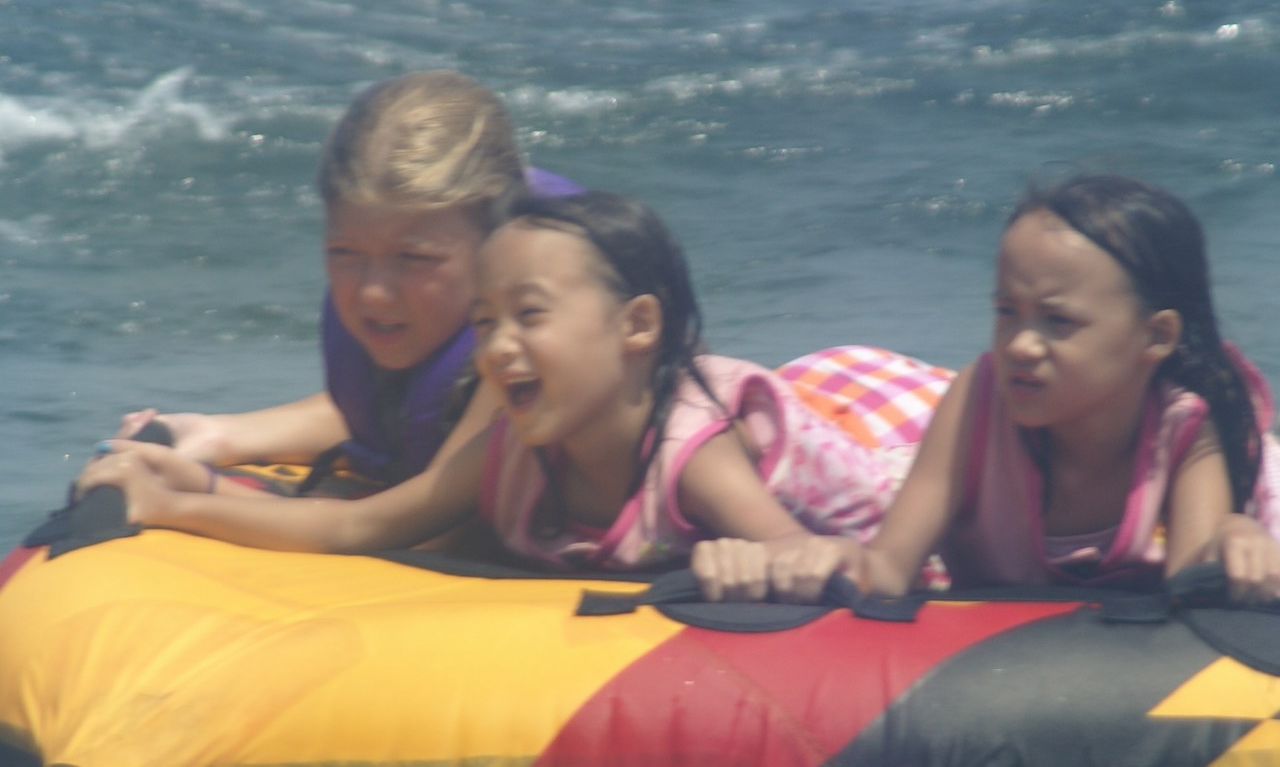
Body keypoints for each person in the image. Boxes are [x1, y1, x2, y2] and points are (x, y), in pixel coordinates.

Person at [77, 191, 911, 572]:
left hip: (879, 458)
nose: (499, 348)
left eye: (529, 316)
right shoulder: (514, 445)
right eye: (483, 322)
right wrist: (185, 496)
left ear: (636, 326)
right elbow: (358, 527)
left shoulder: (691, 455)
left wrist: (762, 566)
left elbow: (807, 556)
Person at [694, 174, 1280, 605]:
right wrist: (832, 559)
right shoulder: (979, 398)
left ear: (1156, 336)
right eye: (1006, 312)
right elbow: (889, 568)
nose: (1020, 345)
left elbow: (1189, 600)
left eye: (1058, 321)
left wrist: (1235, 539)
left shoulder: (1185, 428)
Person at [116, 70, 579, 499]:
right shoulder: (421, 308)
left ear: (499, 242)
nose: (372, 292)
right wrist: (220, 433)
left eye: (414, 258)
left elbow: (423, 525)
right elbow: (395, 418)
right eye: (345, 254)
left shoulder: (533, 347)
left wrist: (195, 489)